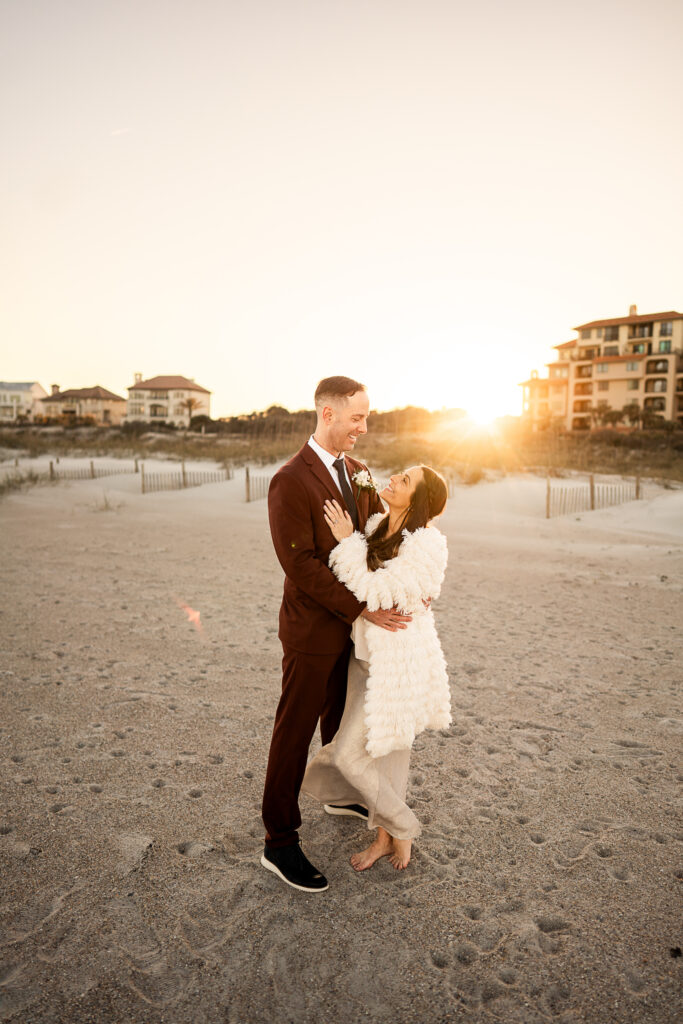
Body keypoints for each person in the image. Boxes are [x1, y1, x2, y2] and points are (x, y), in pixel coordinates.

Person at [261, 376, 410, 893]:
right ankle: (279, 842)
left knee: (339, 716)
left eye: (366, 418)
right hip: (310, 631)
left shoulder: (360, 473)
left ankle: (334, 792)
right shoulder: (289, 480)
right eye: (356, 418)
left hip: (351, 632)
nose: (364, 428)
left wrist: (410, 582)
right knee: (293, 731)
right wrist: (363, 608)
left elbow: (375, 543)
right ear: (327, 414)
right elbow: (299, 563)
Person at [302, 465, 450, 872]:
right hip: (366, 658)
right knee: (381, 754)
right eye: (399, 474)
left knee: (355, 757)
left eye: (405, 481)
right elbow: (358, 589)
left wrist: (346, 541)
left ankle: (400, 828)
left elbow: (376, 591)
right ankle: (384, 838)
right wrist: (356, 540)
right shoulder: (377, 526)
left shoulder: (428, 544)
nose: (395, 480)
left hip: (398, 664)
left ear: (417, 500)